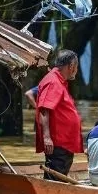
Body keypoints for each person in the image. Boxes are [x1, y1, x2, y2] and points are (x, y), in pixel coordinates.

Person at [37, 50, 83, 180]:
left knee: (59, 175)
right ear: (71, 66)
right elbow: (44, 109)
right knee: (55, 178)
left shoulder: (58, 80)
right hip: (58, 142)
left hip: (64, 141)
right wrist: (47, 137)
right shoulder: (53, 81)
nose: (76, 70)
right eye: (76, 67)